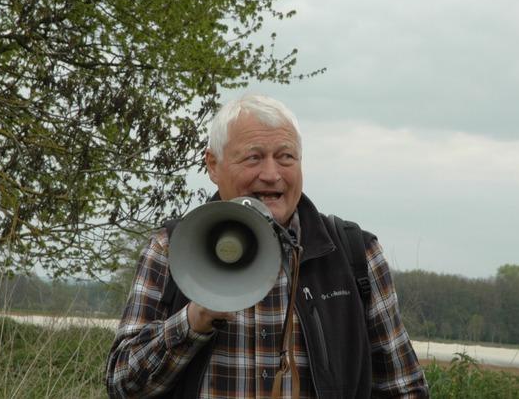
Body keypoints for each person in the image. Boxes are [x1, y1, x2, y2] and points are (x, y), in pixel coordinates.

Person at [105, 94, 429, 398]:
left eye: (285, 157)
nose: (272, 174)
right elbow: (122, 385)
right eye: (253, 157)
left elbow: (404, 389)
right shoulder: (170, 248)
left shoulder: (356, 255)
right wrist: (193, 320)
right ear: (213, 165)